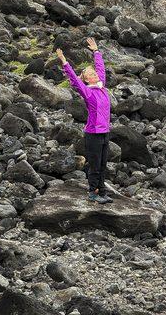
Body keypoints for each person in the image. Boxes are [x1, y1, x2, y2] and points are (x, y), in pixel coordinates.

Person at [56, 37, 113, 204]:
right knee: (95, 166)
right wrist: (65, 62)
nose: (95, 74)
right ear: (86, 79)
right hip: (93, 134)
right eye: (91, 74)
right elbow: (74, 79)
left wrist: (96, 51)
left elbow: (101, 68)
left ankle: (102, 191)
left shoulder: (101, 87)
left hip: (105, 133)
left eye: (94, 73)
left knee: (103, 165)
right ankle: (93, 193)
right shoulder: (88, 92)